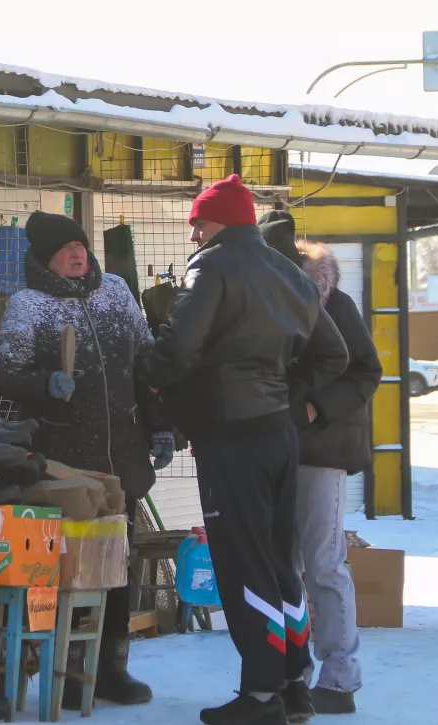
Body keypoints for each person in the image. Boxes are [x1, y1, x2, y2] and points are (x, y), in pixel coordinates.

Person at [142, 176, 349, 725]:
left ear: (219, 222)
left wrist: (150, 375)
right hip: (279, 434)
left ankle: (260, 694)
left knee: (242, 563)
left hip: (230, 437)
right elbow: (335, 354)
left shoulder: (212, 267)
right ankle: (293, 685)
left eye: (198, 223)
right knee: (280, 561)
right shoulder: (289, 273)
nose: (193, 234)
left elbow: (177, 349)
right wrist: (286, 395)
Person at [0, 211, 174, 708]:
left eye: (80, 245)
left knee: (117, 565)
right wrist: (44, 384)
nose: (77, 254)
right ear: (44, 258)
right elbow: (6, 372)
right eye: (64, 249)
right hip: (66, 466)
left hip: (122, 460)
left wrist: (161, 425)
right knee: (69, 571)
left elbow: (146, 362)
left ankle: (112, 667)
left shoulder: (115, 291)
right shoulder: (28, 305)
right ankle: (70, 671)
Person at [261, 210, 381, 716]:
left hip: (319, 449)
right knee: (282, 566)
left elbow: (366, 370)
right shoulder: (261, 301)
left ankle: (339, 677)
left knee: (323, 564)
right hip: (271, 447)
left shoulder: (334, 302)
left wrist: (317, 407)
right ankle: (293, 676)